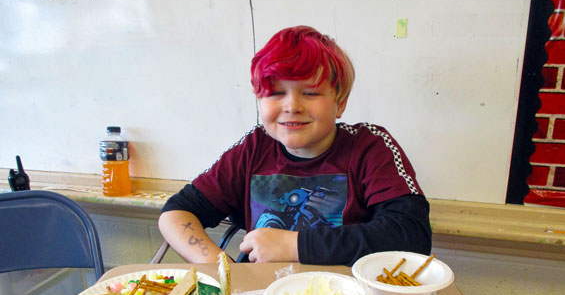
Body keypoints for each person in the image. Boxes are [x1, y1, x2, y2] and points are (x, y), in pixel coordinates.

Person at [158, 25, 431, 266]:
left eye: (310, 93)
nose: (292, 106)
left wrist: (293, 245)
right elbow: (176, 212)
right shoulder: (254, 148)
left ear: (340, 102)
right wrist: (223, 270)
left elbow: (411, 235)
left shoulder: (370, 146)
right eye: (276, 93)